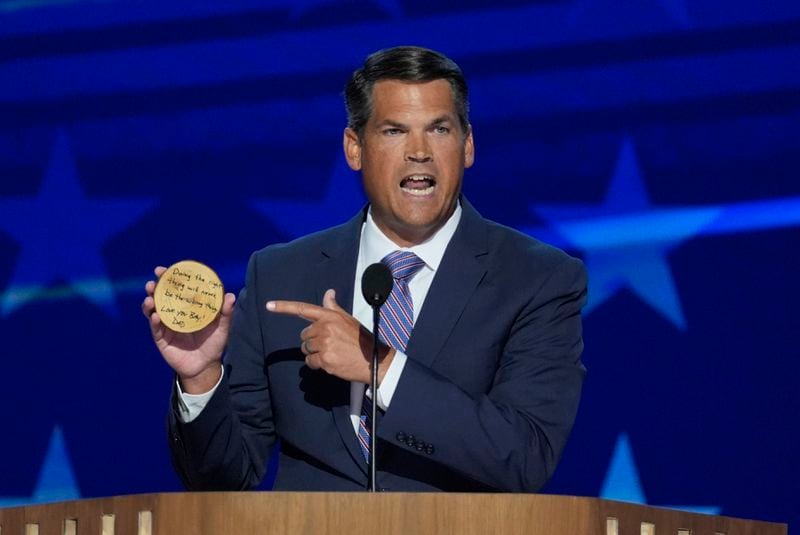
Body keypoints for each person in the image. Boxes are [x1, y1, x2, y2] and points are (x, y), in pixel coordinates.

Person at [142, 46, 587, 492]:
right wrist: (200, 377)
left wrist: (381, 367)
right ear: (354, 148)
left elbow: (524, 456)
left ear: (467, 145)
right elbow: (224, 481)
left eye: (439, 129)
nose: (419, 152)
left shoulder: (537, 279)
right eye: (395, 131)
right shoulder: (279, 275)